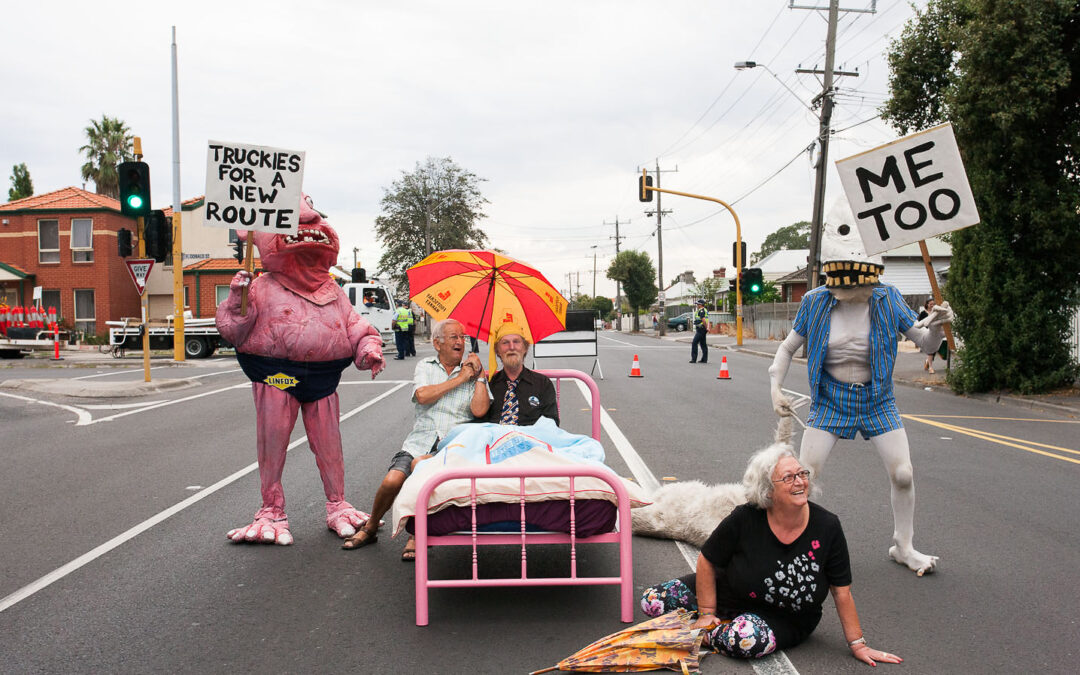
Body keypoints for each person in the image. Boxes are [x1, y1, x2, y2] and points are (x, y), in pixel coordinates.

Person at [770, 199, 951, 576]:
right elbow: (788, 347)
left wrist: (937, 323)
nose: (853, 289)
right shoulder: (816, 302)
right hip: (830, 400)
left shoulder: (888, 298)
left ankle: (904, 545)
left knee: (903, 473)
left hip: (877, 399)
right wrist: (776, 386)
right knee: (804, 477)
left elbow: (929, 346)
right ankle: (798, 547)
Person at [640, 446, 902, 666]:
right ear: (768, 490)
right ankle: (713, 624)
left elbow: (841, 591)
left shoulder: (827, 526)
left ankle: (706, 633)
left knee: (745, 640)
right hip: (728, 594)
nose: (800, 482)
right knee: (653, 601)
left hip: (785, 617)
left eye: (802, 474)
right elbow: (708, 560)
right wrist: (707, 612)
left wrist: (858, 644)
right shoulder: (745, 517)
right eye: (788, 477)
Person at [342, 319, 490, 559]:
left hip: (452, 446)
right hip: (419, 441)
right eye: (454, 337)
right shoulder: (426, 366)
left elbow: (481, 411)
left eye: (462, 337)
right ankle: (370, 527)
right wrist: (461, 379)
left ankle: (416, 533)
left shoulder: (474, 372)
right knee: (392, 480)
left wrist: (480, 377)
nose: (460, 342)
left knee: (422, 470)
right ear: (437, 343)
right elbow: (422, 395)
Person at [477, 322, 559, 426]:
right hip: (497, 439)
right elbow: (480, 425)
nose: (511, 347)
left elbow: (552, 423)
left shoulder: (542, 383)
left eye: (516, 342)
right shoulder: (489, 385)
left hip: (531, 440)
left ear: (525, 348)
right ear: (497, 350)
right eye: (505, 343)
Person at [917, 299, 945, 374]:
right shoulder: (923, 313)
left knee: (934, 351)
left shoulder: (936, 313)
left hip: (935, 333)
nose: (932, 305)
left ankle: (927, 361)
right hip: (926, 333)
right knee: (931, 352)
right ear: (927, 305)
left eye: (933, 304)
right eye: (930, 304)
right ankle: (930, 367)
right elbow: (920, 323)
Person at [690, 299, 709, 364]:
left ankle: (694, 359)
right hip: (702, 329)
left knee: (694, 342)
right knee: (703, 344)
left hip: (701, 329)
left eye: (698, 304)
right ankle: (704, 359)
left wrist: (706, 328)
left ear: (701, 305)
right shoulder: (704, 310)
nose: (697, 305)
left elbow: (703, 320)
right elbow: (707, 320)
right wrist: (707, 328)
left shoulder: (701, 311)